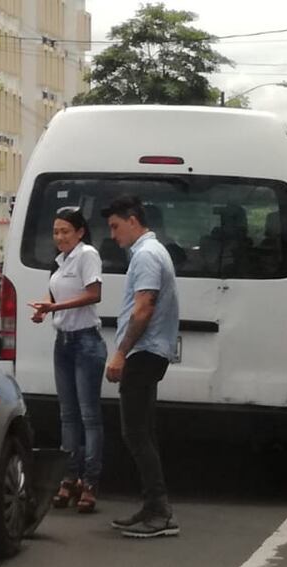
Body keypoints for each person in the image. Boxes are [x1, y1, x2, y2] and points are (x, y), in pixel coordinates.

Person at [101, 194, 181, 539]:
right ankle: (152, 507)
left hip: (144, 353)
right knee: (142, 431)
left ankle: (159, 510)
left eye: (116, 227)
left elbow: (143, 309)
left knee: (135, 432)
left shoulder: (147, 255)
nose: (114, 235)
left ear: (133, 221)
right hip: (150, 352)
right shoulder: (151, 252)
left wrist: (120, 352)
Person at [28, 207, 106, 513]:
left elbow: (94, 294)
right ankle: (69, 476)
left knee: (89, 416)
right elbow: (54, 301)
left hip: (86, 342)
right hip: (63, 342)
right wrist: (43, 311)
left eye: (65, 231)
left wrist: (54, 306)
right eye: (56, 231)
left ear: (80, 232)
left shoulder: (87, 255)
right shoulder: (59, 262)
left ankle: (90, 483)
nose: (59, 237)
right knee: (67, 416)